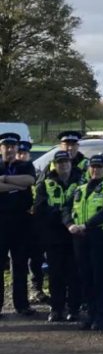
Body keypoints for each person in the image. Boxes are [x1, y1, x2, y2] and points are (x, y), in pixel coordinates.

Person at [63, 155, 103, 330]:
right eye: (93, 167)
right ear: (88, 169)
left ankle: (102, 315)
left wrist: (87, 225)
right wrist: (69, 224)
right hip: (80, 238)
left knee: (101, 277)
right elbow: (66, 208)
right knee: (85, 276)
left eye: (99, 167)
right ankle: (91, 313)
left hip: (100, 236)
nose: (95, 170)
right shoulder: (79, 188)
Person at [34, 151, 84, 322]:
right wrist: (61, 215)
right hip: (54, 235)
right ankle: (57, 308)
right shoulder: (45, 184)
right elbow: (40, 209)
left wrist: (67, 218)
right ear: (54, 164)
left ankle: (74, 308)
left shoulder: (81, 182)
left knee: (74, 273)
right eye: (60, 162)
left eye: (66, 161)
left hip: (75, 234)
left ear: (71, 163)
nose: (63, 165)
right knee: (55, 274)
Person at [0, 132, 37, 317]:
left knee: (20, 264)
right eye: (6, 146)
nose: (10, 150)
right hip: (1, 221)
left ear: (16, 148)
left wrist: (4, 180)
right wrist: (17, 184)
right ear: (1, 148)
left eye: (12, 147)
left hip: (21, 222)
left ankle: (21, 304)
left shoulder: (25, 165)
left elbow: (30, 181)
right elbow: (22, 184)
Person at [17, 139, 48, 305]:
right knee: (20, 261)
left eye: (24, 153)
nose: (22, 156)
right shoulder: (11, 170)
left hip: (36, 223)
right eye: (19, 153)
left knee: (37, 258)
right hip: (17, 223)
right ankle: (22, 297)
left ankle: (37, 289)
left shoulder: (36, 172)